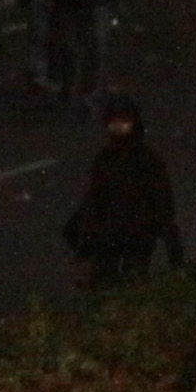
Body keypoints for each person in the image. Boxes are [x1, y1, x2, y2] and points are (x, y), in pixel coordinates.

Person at [62, 96, 185, 287]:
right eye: (114, 123)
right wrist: (85, 242)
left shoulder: (148, 161)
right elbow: (94, 200)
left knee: (133, 285)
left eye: (124, 122)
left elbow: (163, 204)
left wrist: (172, 245)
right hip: (107, 240)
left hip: (138, 239)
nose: (118, 128)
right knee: (103, 287)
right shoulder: (104, 160)